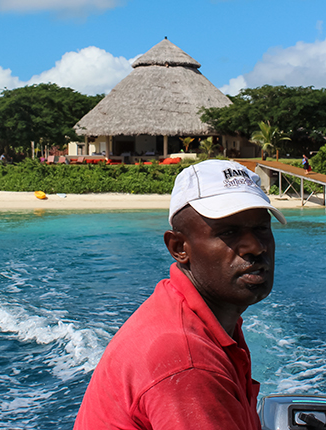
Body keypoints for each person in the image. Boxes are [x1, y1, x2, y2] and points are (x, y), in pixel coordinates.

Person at [74, 159, 286, 430]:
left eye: (261, 229)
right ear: (179, 248)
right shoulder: (187, 362)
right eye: (229, 232)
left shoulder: (195, 313)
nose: (255, 247)